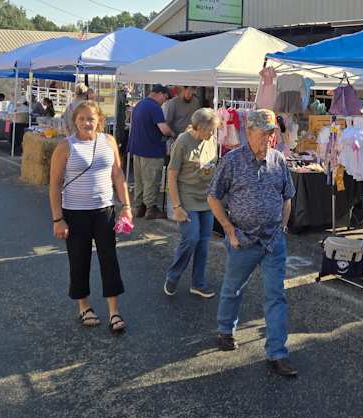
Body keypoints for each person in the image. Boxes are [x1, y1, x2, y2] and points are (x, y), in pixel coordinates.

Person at [208, 109, 298, 377]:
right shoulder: (232, 160)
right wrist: (229, 229)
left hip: (272, 241)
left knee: (276, 296)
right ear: (249, 133)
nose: (269, 139)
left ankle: (277, 353)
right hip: (243, 239)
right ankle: (225, 329)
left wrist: (282, 226)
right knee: (233, 289)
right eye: (264, 133)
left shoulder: (278, 160)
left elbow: (287, 195)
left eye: (272, 133)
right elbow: (213, 196)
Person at [48, 101, 132, 335]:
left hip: (103, 210)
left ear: (99, 121)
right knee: (79, 260)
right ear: (74, 120)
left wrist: (126, 206)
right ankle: (83, 306)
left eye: (91, 118)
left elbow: (117, 173)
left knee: (109, 259)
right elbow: (54, 185)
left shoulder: (109, 142)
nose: (86, 122)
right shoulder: (65, 146)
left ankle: (114, 311)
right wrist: (58, 218)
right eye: (82, 118)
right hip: (74, 213)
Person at [164, 108, 221, 298]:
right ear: (198, 127)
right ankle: (173, 275)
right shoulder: (182, 142)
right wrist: (177, 207)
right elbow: (171, 177)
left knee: (204, 243)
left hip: (206, 198)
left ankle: (198, 283)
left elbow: (213, 166)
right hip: (186, 197)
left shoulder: (210, 140)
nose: (212, 134)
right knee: (191, 238)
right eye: (209, 130)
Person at [128, 85, 175, 220]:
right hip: (151, 150)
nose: (164, 102)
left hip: (137, 148)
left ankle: (139, 207)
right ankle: (150, 208)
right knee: (151, 180)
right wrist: (173, 134)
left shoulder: (139, 105)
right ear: (159, 94)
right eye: (165, 98)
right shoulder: (155, 107)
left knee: (140, 180)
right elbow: (164, 129)